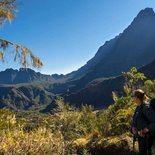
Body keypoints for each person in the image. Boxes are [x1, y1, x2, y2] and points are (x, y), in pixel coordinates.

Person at [131, 89, 155, 155]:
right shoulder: (138, 107)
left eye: (132, 96)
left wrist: (144, 130)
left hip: (147, 139)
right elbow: (135, 120)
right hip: (141, 138)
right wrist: (133, 127)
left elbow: (154, 122)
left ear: (136, 97)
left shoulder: (146, 107)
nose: (132, 97)